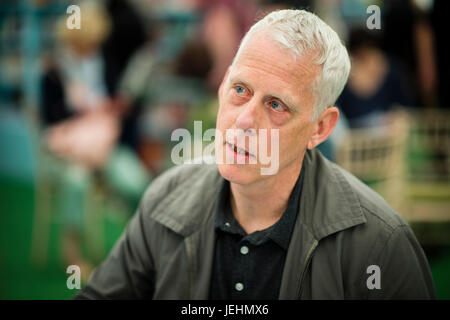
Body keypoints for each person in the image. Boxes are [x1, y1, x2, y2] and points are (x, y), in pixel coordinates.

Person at [75, 9, 435, 299]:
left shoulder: (380, 246)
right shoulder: (165, 201)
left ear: (320, 128)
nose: (244, 120)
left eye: (276, 105)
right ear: (222, 85)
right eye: (240, 89)